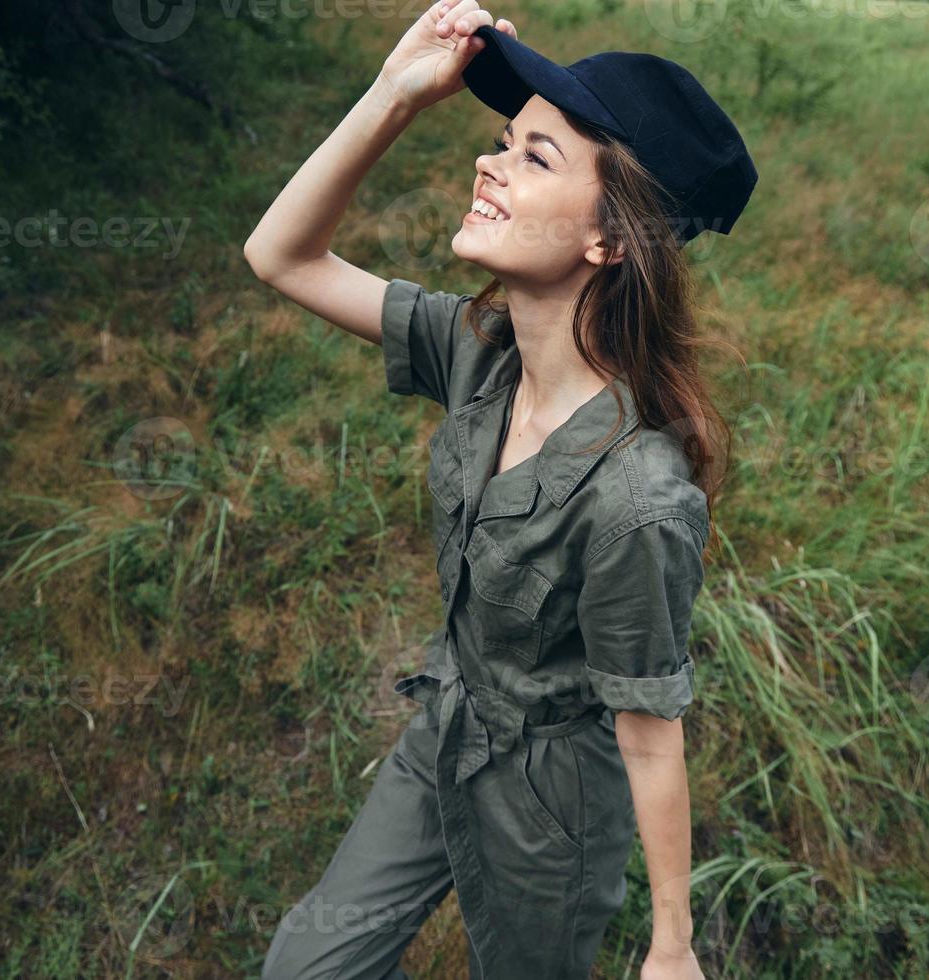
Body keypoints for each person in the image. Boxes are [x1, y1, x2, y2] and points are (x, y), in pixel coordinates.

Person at [244, 3, 758, 977]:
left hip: (549, 806)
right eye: (499, 141)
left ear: (611, 239)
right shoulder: (476, 350)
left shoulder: (639, 493)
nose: (488, 165)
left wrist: (673, 942)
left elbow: (649, 732)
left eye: (535, 157)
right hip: (446, 726)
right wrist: (395, 95)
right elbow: (282, 255)